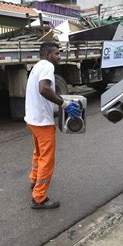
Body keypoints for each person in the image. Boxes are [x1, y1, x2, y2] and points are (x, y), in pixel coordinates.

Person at [24, 42, 81, 209]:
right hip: (42, 122)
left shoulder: (37, 66)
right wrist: (64, 104)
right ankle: (39, 198)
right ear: (48, 54)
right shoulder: (48, 66)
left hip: (32, 120)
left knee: (38, 153)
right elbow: (44, 89)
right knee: (47, 160)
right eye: (56, 53)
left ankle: (34, 180)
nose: (59, 57)